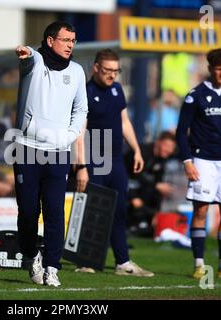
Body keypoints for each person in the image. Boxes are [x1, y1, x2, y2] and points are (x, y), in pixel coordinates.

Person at [13, 21, 88, 287]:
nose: (70, 45)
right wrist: (27, 53)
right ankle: (31, 256)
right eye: (65, 40)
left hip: (58, 151)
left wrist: (68, 137)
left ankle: (52, 267)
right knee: (28, 211)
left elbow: (81, 110)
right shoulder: (34, 63)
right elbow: (28, 59)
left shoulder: (78, 71)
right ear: (49, 41)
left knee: (55, 211)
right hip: (26, 148)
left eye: (73, 40)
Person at [74, 49, 154, 277]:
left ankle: (123, 263)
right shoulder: (86, 92)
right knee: (93, 210)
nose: (112, 75)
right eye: (107, 70)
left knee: (119, 211)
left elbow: (124, 121)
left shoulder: (118, 89)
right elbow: (80, 131)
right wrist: (81, 166)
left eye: (115, 71)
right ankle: (85, 261)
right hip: (94, 159)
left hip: (116, 159)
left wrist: (137, 150)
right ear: (96, 68)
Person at [176, 48, 221, 281]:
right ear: (210, 69)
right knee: (201, 211)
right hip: (202, 160)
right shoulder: (194, 95)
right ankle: (199, 265)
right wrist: (187, 161)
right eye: (219, 69)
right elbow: (180, 132)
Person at [125, 131, 177, 236]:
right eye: (166, 145)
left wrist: (156, 213)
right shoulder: (142, 152)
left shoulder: (161, 160)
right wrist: (133, 197)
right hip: (125, 186)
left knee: (157, 194)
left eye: (171, 147)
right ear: (158, 142)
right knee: (136, 203)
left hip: (139, 189)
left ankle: (147, 225)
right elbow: (132, 176)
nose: (168, 150)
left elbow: (158, 182)